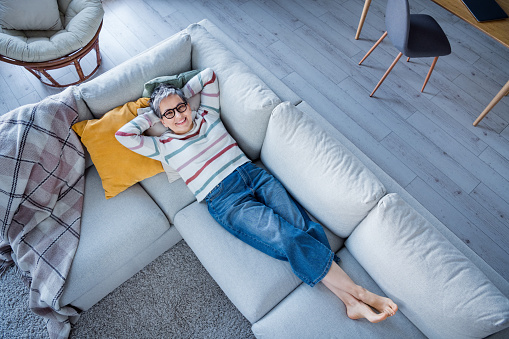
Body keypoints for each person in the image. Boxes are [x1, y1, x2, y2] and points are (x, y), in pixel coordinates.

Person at [115, 68, 398, 323]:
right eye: (170, 114)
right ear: (162, 121)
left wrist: (175, 97)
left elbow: (209, 76)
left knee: (304, 228)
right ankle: (361, 294)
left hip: (254, 175)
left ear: (189, 104)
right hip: (225, 199)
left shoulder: (208, 114)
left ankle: (350, 302)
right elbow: (123, 135)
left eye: (181, 107)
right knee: (287, 236)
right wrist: (156, 111)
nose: (179, 116)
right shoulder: (163, 145)